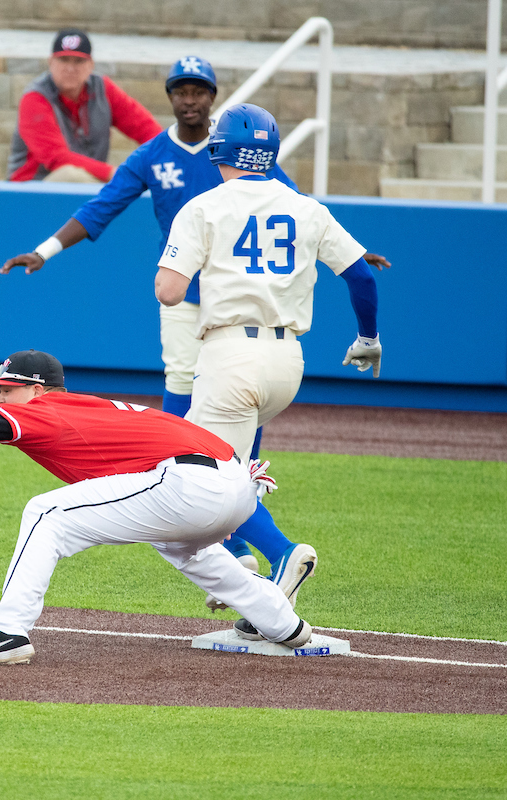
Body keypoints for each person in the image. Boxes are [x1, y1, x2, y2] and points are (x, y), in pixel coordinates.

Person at [1, 56, 307, 607]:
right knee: (183, 417)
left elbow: (294, 208)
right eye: (180, 90)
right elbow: (102, 208)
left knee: (225, 419)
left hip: (230, 309)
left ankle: (234, 535)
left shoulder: (235, 155)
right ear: (169, 97)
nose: (190, 99)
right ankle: (233, 542)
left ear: (213, 98)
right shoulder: (152, 155)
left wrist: (346, 251)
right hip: (183, 303)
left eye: (200, 90)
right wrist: (45, 251)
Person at [0, 349, 314, 664]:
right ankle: (282, 623)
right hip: (231, 481)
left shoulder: (46, 411)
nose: (1, 398)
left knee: (46, 514)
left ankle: (7, 633)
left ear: (38, 390)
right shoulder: (87, 407)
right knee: (181, 546)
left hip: (190, 481)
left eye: (8, 388)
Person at [154, 104, 389, 634]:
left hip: (231, 353)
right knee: (231, 472)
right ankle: (258, 601)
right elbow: (362, 280)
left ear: (219, 150)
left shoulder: (204, 206)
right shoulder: (307, 208)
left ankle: (278, 555)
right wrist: (368, 338)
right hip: (288, 361)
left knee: (202, 477)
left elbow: (168, 292)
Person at [7, 29, 163, 183]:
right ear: (50, 62)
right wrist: (115, 173)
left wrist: (170, 155)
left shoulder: (103, 90)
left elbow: (145, 127)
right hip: (29, 192)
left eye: (78, 61)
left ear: (91, 65)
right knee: (71, 176)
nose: (70, 68)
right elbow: (57, 158)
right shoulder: (34, 98)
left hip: (86, 184)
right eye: (64, 60)